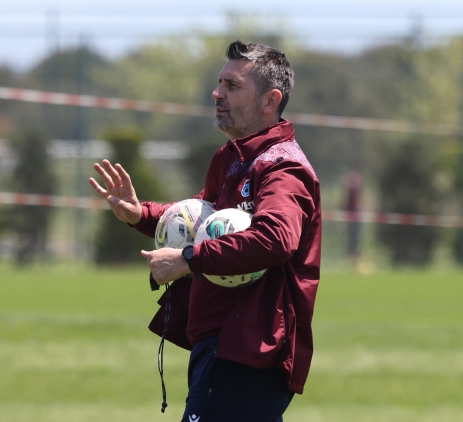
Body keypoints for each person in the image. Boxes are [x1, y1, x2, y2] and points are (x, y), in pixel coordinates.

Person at [89, 40, 321, 422]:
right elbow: (199, 222)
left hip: (251, 351)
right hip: (220, 346)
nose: (217, 93)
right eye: (219, 82)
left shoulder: (283, 168)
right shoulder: (231, 158)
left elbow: (276, 239)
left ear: (270, 100)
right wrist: (139, 214)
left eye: (232, 85)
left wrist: (187, 260)